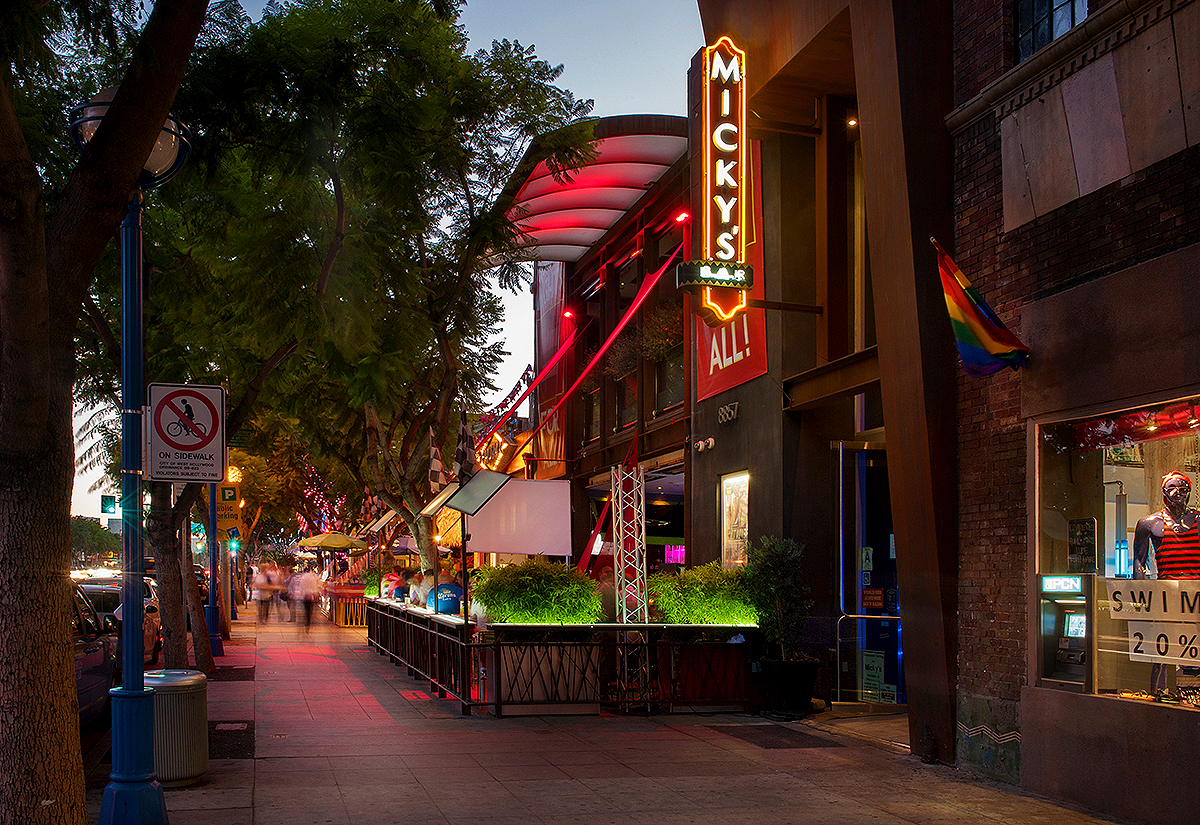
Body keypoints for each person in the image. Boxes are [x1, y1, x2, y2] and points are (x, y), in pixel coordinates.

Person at [1133, 471, 1200, 580]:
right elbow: (1139, 563)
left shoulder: (1198, 520)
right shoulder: (1149, 523)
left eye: (1183, 489)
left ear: (1188, 493)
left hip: (1195, 590)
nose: (1177, 492)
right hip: (1166, 589)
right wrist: (1137, 591)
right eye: (1171, 488)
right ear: (1164, 492)